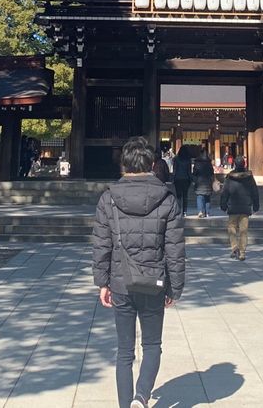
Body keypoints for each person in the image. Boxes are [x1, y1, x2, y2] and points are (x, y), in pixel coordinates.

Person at [92, 136, 186, 408]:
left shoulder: (108, 198)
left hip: (120, 282)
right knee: (152, 345)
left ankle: (126, 404)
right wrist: (175, 287)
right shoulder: (167, 199)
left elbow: (101, 244)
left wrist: (102, 282)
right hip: (153, 281)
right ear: (153, 164)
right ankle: (141, 396)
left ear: (124, 164)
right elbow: (175, 248)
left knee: (124, 351)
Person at [219, 155, 260, 260]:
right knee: (243, 230)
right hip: (245, 206)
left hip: (233, 206)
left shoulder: (230, 177)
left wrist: (223, 204)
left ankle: (234, 247)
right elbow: (255, 191)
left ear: (235, 164)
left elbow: (225, 192)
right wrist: (256, 204)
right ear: (244, 164)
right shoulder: (249, 177)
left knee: (231, 227)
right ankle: (242, 252)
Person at [192, 148, 215, 218]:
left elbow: (194, 173)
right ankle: (207, 212)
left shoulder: (197, 162)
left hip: (199, 182)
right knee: (207, 198)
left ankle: (200, 211)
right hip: (208, 182)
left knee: (199, 197)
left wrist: (194, 180)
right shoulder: (209, 162)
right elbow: (212, 172)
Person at [173, 146, 193, 215]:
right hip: (186, 179)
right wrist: (191, 179)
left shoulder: (176, 159)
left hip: (178, 178)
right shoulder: (188, 160)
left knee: (178, 196)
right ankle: (184, 211)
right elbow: (189, 171)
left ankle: (178, 209)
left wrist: (173, 177)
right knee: (185, 196)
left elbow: (175, 170)